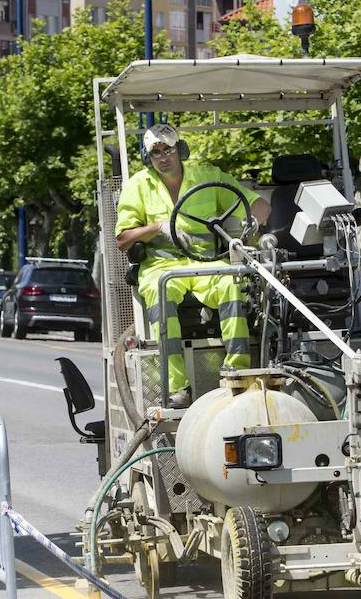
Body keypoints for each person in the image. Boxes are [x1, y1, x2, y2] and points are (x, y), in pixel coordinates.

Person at [114, 123, 271, 408]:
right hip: (161, 266)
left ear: (181, 150)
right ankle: (178, 387)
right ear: (148, 157)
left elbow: (258, 203)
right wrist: (159, 227)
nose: (163, 157)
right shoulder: (138, 184)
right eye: (156, 152)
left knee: (232, 283)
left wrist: (253, 222)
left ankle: (237, 374)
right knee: (162, 292)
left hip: (205, 264)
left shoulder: (207, 176)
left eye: (168, 149)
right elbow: (123, 239)